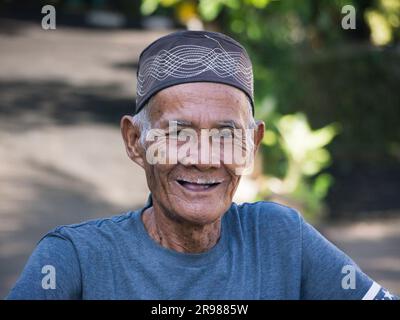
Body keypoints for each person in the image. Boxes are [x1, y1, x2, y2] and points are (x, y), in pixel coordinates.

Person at [7, 30, 398, 300]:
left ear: (252, 144)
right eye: (178, 132)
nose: (204, 158)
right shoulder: (75, 258)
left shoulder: (281, 239)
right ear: (134, 141)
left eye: (227, 135)